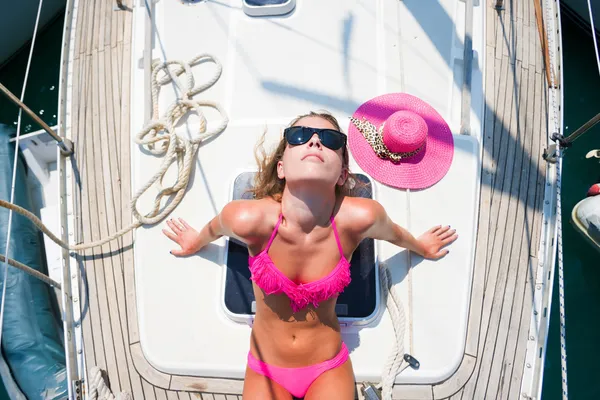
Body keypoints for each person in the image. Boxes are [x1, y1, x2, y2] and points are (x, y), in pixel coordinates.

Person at [162, 111, 458, 400]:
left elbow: (394, 233)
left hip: (327, 367)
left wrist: (421, 246)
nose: (315, 141)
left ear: (343, 173)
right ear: (281, 167)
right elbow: (215, 229)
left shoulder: (360, 218)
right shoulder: (247, 219)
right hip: (266, 367)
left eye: (330, 139)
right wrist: (194, 242)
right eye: (300, 136)